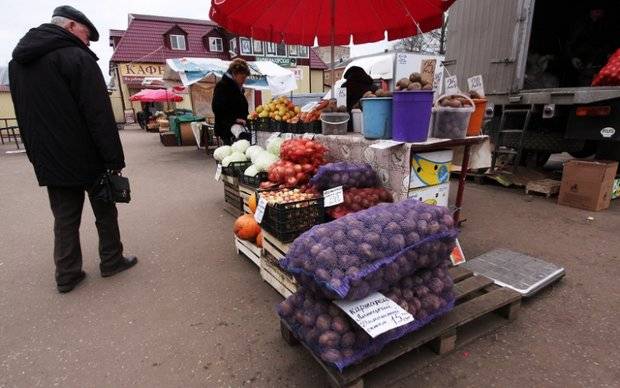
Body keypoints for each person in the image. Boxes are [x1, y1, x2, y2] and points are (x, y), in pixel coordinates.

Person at [9, 5, 137, 293]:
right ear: (69, 27)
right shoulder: (77, 57)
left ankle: (67, 274)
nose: (88, 41)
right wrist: (113, 158)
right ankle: (111, 260)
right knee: (105, 210)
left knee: (65, 217)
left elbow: (23, 114)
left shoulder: (18, 63)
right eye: (86, 34)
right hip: (87, 154)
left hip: (49, 158)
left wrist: (36, 157)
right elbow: (98, 114)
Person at [566, 4, 615, 86]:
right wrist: (573, 57)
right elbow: (570, 43)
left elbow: (606, 43)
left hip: (597, 63)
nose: (601, 14)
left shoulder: (603, 25)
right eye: (598, 11)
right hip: (581, 62)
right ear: (593, 12)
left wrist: (608, 54)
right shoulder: (581, 24)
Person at [212, 59, 250, 145]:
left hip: (238, 127)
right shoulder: (223, 86)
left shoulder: (236, 87)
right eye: (243, 77)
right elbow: (217, 108)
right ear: (235, 73)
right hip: (227, 129)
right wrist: (234, 119)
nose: (244, 80)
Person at [341, 66, 377, 130]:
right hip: (371, 121)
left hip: (348, 122)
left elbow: (341, 105)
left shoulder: (345, 87)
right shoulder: (373, 87)